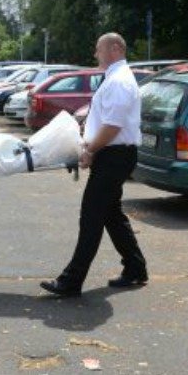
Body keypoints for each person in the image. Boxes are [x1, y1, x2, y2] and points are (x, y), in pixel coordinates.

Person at [41, 33, 148, 297]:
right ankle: (135, 268)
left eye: (98, 49)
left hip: (114, 155)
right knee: (111, 214)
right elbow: (105, 120)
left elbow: (113, 126)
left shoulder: (120, 80)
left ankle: (71, 281)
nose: (95, 54)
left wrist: (90, 149)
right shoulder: (115, 78)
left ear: (114, 48)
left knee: (92, 215)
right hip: (113, 154)